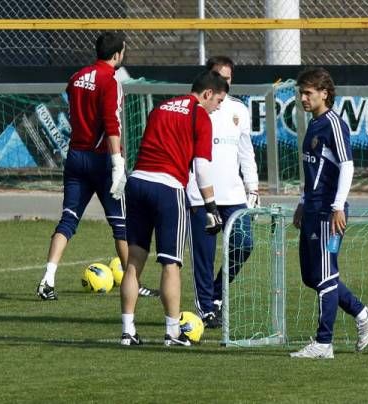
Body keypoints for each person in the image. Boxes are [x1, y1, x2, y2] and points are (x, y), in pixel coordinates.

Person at [36, 32, 157, 300]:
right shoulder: (110, 80)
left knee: (68, 219)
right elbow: (111, 124)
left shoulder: (77, 76)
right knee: (121, 224)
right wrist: (117, 163)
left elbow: (73, 106)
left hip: (76, 155)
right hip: (101, 157)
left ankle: (48, 278)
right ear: (117, 55)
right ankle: (133, 282)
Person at [119, 70, 228, 346]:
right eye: (218, 101)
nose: (217, 108)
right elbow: (202, 168)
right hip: (167, 188)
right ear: (206, 94)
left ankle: (128, 330)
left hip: (138, 181)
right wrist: (212, 207)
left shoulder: (160, 107)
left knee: (133, 262)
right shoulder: (199, 114)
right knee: (171, 263)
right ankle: (172, 331)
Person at [290, 67, 368, 359]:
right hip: (313, 209)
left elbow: (347, 165)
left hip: (328, 213)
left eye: (308, 93)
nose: (303, 98)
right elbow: (313, 169)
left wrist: (338, 206)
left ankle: (323, 343)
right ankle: (363, 313)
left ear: (324, 93)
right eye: (301, 93)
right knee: (312, 276)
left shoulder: (334, 123)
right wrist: (303, 202)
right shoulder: (314, 124)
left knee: (326, 275)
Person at [186, 56, 259, 329]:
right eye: (219, 76)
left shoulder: (239, 109)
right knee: (204, 256)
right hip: (201, 195)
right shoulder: (197, 109)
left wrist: (252, 186)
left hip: (234, 195)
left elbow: (246, 151)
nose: (224, 82)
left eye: (228, 78)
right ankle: (205, 308)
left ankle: (217, 294)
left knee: (245, 244)